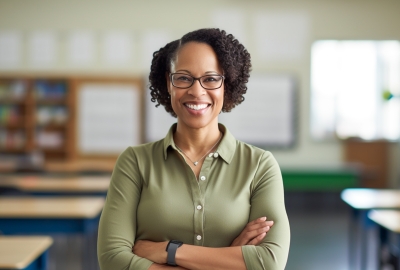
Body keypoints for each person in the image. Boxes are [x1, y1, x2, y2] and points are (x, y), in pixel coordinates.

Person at [97, 28, 290, 270]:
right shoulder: (135, 162)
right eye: (184, 78)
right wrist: (230, 257)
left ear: (226, 84)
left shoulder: (260, 165)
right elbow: (112, 259)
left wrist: (168, 251)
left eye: (210, 79)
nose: (196, 91)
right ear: (169, 83)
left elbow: (269, 262)